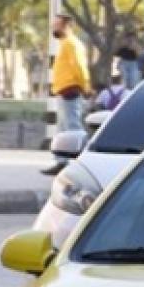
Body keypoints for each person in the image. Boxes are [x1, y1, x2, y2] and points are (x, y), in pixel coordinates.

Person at [41, 14, 91, 175]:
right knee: (63, 129)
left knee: (73, 128)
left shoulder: (71, 44)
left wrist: (86, 86)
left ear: (67, 26)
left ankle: (82, 163)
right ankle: (61, 162)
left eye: (57, 25)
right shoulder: (65, 44)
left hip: (71, 90)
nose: (53, 28)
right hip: (63, 90)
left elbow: (79, 67)